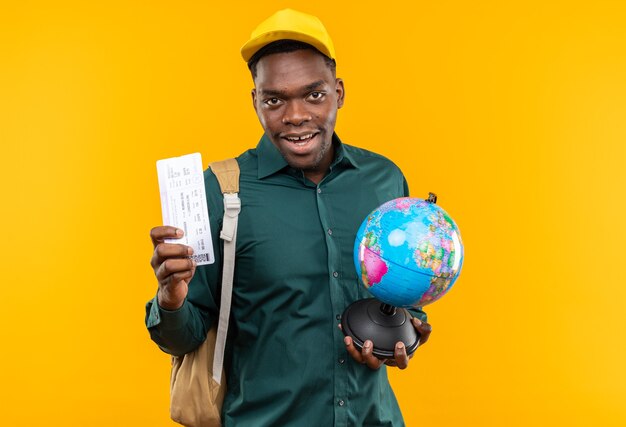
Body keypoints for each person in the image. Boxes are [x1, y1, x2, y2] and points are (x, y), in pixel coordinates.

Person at [146, 9, 432, 426]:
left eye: (314, 95)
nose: (296, 116)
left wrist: (405, 332)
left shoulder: (384, 181)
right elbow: (183, 337)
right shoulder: (222, 190)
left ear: (339, 92)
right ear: (256, 102)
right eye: (275, 99)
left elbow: (402, 298)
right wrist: (171, 301)